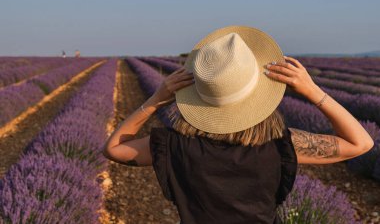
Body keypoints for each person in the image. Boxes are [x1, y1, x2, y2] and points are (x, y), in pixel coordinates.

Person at [102, 26, 374, 224]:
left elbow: (114, 148)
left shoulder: (172, 145)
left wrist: (156, 99)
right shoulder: (281, 146)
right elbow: (360, 143)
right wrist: (313, 92)